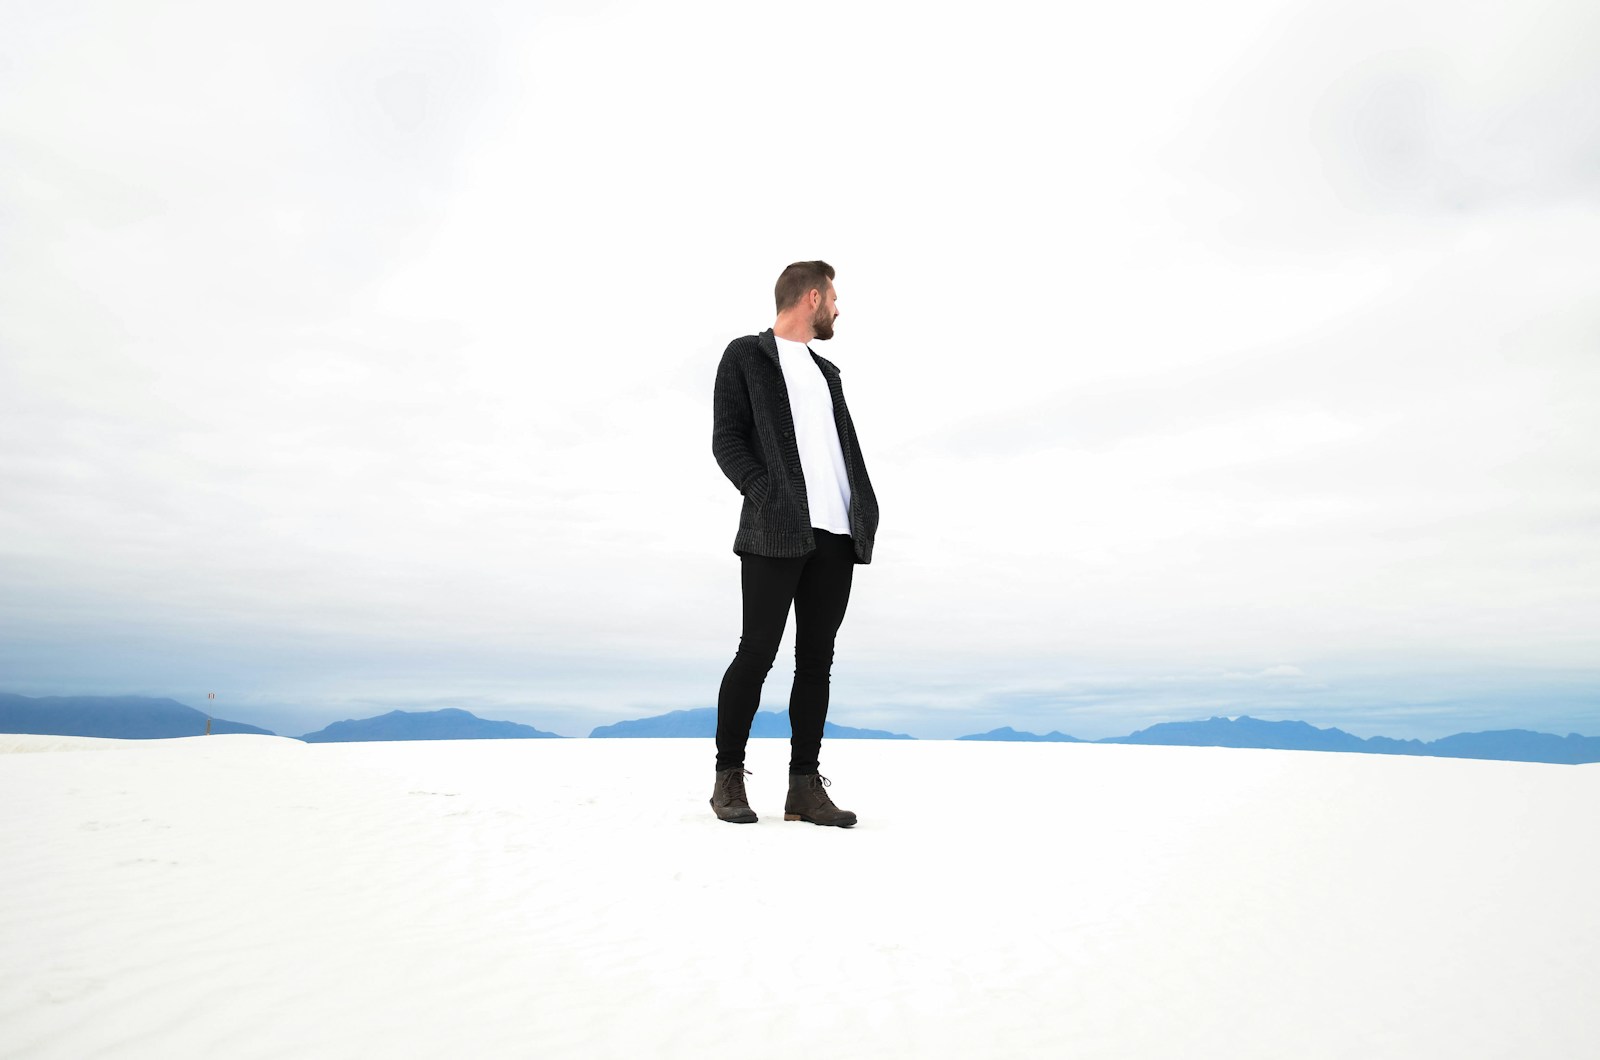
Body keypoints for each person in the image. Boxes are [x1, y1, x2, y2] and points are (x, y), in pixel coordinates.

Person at [709, 260, 880, 827]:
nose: (838, 308)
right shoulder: (746, 356)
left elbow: (839, 448)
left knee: (817, 662)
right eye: (833, 298)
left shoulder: (828, 372)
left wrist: (863, 506)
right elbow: (727, 440)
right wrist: (765, 495)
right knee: (756, 652)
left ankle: (803, 789)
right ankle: (728, 780)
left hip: (835, 533)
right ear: (812, 297)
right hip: (774, 530)